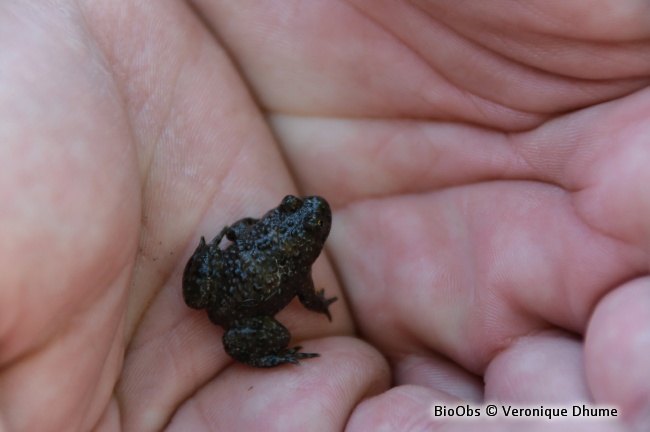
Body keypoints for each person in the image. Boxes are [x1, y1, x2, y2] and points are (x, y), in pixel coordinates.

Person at [1, 2, 648, 431]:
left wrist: (219, 255)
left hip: (229, 290)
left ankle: (262, 338)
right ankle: (272, 350)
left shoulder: (287, 247)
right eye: (299, 216)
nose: (305, 214)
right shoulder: (300, 261)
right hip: (238, 297)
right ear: (293, 227)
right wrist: (307, 307)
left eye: (305, 221)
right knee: (254, 332)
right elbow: (305, 293)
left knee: (237, 322)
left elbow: (284, 273)